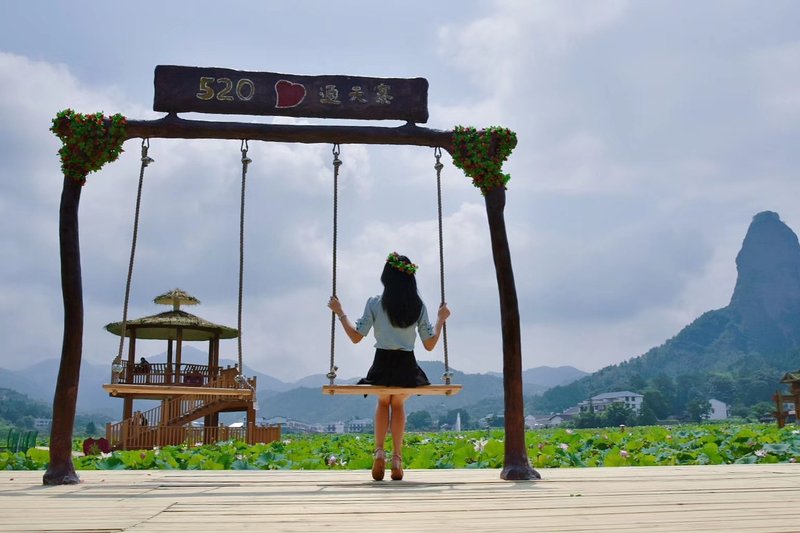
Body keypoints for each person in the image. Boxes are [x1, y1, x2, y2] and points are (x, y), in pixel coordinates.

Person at [327, 252, 451, 481]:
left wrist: (340, 312)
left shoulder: (375, 303)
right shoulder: (418, 306)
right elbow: (430, 344)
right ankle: (397, 458)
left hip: (381, 365)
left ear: (386, 277)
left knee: (383, 402)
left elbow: (356, 337)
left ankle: (379, 453)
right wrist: (441, 319)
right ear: (411, 278)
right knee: (399, 404)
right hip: (407, 367)